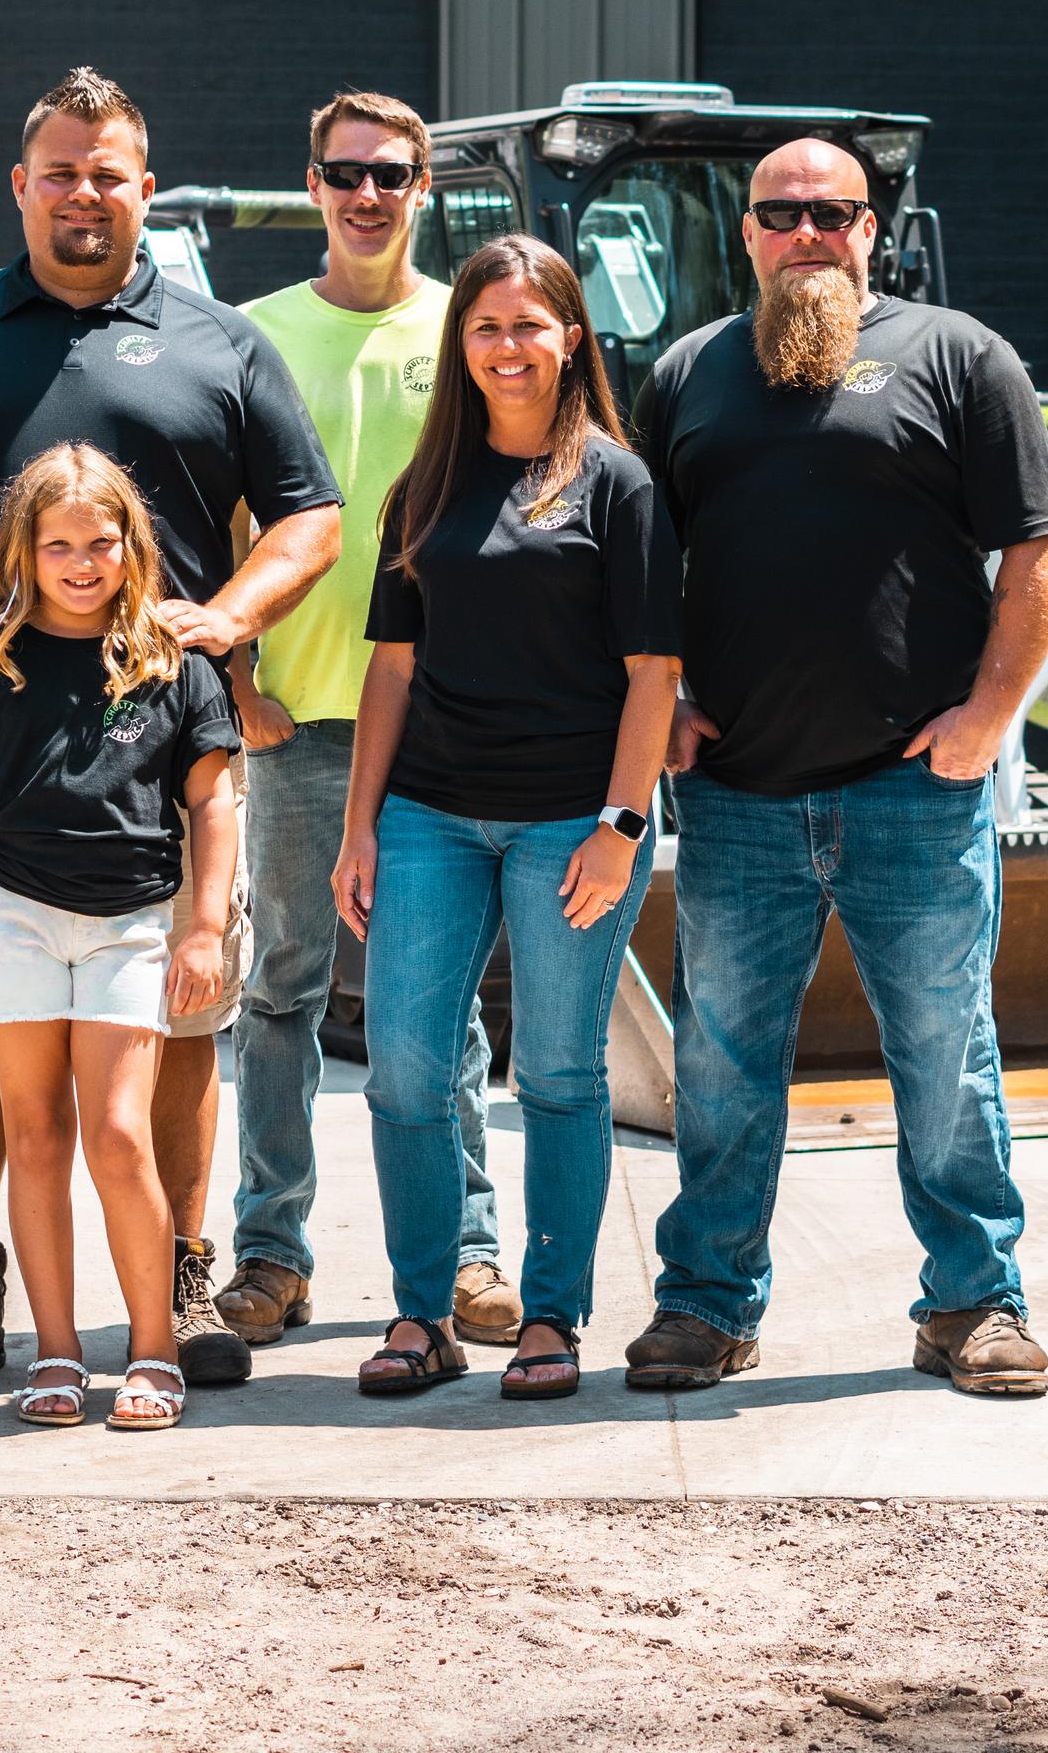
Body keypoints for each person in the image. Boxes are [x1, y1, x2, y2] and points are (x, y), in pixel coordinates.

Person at [0, 69, 342, 1393]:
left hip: (168, 757)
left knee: (183, 1025)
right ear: (20, 185)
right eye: (60, 171)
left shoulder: (222, 343)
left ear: (146, 189)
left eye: (108, 174)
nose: (83, 194)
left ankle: (183, 1277)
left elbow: (311, 515)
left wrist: (226, 617)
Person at [621, 137, 1048, 1400]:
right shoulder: (688, 375)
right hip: (738, 798)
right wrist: (664, 708)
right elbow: (637, 565)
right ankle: (706, 1307)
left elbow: (1039, 552)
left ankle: (974, 1302)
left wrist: (988, 716)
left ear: (873, 228)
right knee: (721, 1068)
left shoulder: (960, 356)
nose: (807, 232)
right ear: (748, 234)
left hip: (914, 794)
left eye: (833, 211)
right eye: (781, 213)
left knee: (945, 1058)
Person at [333, 238, 680, 1401]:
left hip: (571, 827)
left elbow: (653, 673)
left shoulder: (618, 486)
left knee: (560, 1076)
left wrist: (620, 826)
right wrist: (361, 827)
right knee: (405, 1069)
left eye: (529, 324)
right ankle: (422, 1314)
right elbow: (392, 669)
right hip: (430, 817)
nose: (507, 346)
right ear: (462, 344)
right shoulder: (425, 488)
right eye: (485, 326)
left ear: (571, 338)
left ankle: (551, 1319)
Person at [215, 90, 517, 1355]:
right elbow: (226, 520)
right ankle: (271, 1256)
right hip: (297, 729)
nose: (366, 195)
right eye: (345, 174)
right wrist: (239, 684)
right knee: (280, 994)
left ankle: (467, 1254)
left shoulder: (469, 326)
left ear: (423, 188)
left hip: (440, 729)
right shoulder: (254, 334)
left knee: (440, 1008)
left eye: (390, 174)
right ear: (314, 185)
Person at [0, 446, 244, 1431]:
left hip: (130, 926)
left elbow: (214, 800)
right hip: (7, 915)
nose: (80, 563)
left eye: (100, 543)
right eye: (58, 545)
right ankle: (59, 1353)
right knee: (34, 1136)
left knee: (118, 1136)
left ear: (131, 545)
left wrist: (205, 927)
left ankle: (153, 1351)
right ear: (23, 551)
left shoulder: (171, 662)